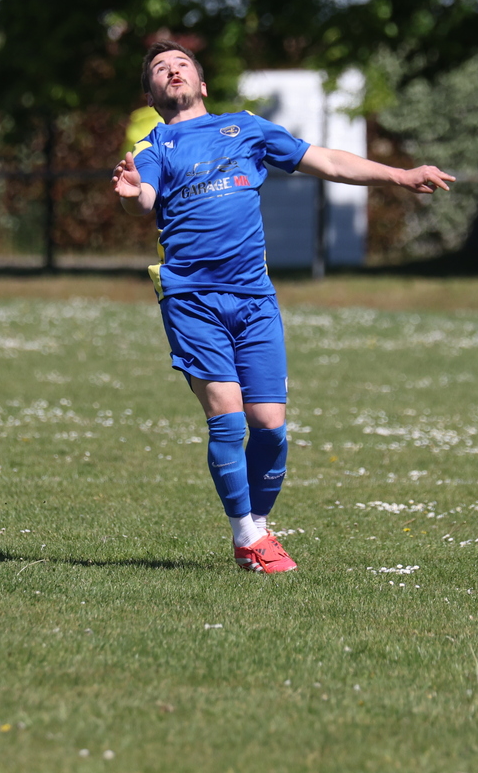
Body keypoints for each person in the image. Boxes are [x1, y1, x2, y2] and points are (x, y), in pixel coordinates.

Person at [112, 41, 455, 573]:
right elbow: (146, 198)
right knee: (228, 419)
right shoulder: (154, 145)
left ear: (203, 84)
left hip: (254, 297)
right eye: (160, 68)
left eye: (181, 63)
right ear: (152, 96)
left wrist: (400, 175)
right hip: (192, 297)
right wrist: (135, 193)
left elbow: (329, 161)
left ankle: (257, 528)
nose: (172, 70)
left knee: (270, 424)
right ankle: (247, 537)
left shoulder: (246, 128)